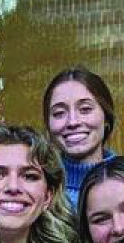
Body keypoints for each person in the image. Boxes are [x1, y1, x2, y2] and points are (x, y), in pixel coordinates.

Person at [43, 68, 117, 211]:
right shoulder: (39, 191)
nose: (72, 122)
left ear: (106, 118)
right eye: (59, 113)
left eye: (85, 109)